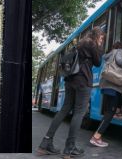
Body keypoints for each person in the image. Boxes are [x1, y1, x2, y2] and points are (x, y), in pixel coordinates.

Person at [37, 27, 105, 158]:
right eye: (101, 38)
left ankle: (45, 143)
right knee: (79, 112)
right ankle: (69, 148)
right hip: (83, 80)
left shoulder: (80, 43)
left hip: (70, 80)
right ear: (97, 35)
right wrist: (99, 46)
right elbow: (98, 62)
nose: (101, 40)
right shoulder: (92, 43)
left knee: (64, 110)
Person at [89, 41, 122, 147]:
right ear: (121, 48)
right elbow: (119, 61)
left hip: (106, 85)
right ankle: (96, 137)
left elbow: (104, 58)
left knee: (109, 111)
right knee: (110, 113)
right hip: (113, 86)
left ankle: (117, 112)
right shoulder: (118, 51)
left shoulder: (108, 55)